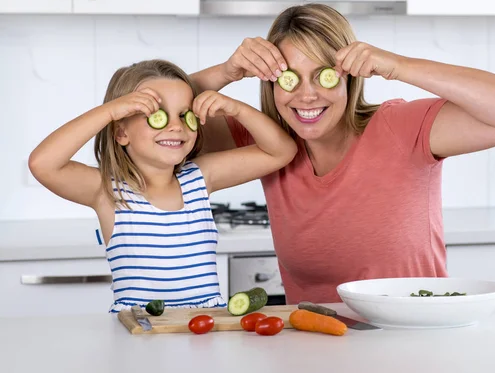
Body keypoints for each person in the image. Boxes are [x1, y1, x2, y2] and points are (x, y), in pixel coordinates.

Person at [189, 4, 495, 305]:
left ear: (348, 79)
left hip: (415, 343)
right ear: (271, 84)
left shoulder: (398, 127)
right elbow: (151, 118)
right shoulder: (265, 141)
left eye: (322, 76)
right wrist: (227, 71)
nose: (307, 95)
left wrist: (398, 65)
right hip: (315, 348)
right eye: (290, 79)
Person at [28, 59, 297, 312]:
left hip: (202, 337)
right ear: (121, 132)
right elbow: (43, 164)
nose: (175, 126)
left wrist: (236, 109)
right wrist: (110, 112)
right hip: (138, 340)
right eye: (157, 115)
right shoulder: (108, 191)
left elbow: (281, 151)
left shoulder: (200, 177)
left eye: (184, 115)